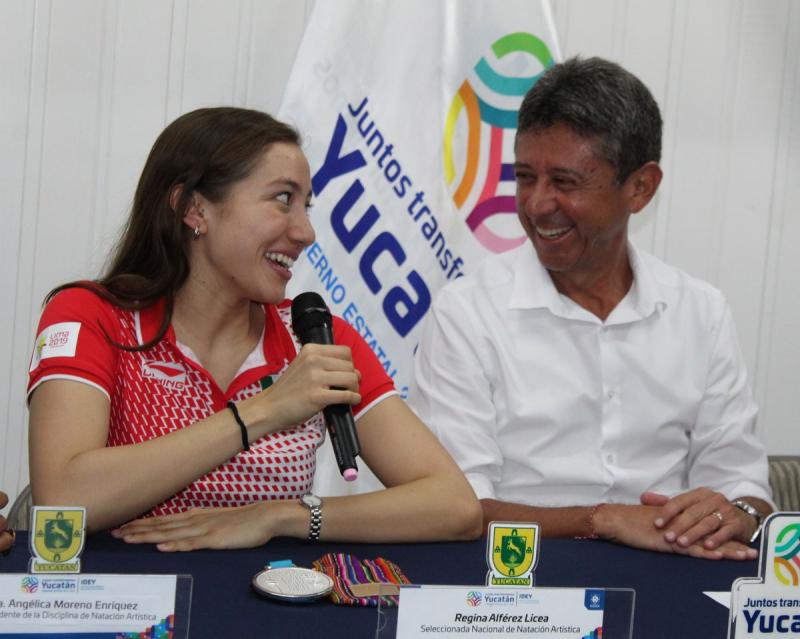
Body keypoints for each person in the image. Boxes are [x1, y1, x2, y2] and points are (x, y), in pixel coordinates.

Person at [27, 107, 482, 551]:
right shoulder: (92, 315)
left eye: (306, 206)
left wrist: (281, 517)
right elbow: (63, 498)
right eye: (283, 199)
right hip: (127, 597)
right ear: (194, 209)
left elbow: (455, 506)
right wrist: (266, 409)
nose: (306, 232)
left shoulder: (317, 339)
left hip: (267, 596)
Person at [409, 57, 773, 560]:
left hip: (671, 566)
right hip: (515, 575)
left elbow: (743, 483)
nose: (536, 204)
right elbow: (457, 507)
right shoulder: (467, 313)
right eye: (525, 177)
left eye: (565, 182)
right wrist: (603, 520)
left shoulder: (701, 312)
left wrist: (739, 513)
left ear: (640, 187)